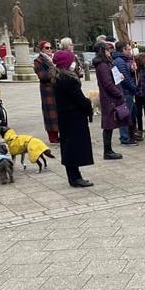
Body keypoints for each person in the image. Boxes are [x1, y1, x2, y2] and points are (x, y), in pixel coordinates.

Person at [51, 50, 95, 187]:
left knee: (68, 145)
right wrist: (88, 104)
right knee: (73, 147)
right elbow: (79, 99)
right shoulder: (69, 80)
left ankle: (74, 176)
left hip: (65, 117)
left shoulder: (58, 78)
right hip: (73, 117)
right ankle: (75, 178)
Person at [92, 41, 125, 160]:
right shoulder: (102, 66)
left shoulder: (106, 64)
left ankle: (109, 150)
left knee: (110, 124)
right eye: (106, 50)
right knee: (108, 124)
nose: (109, 52)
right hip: (109, 98)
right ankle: (107, 150)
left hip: (109, 97)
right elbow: (107, 83)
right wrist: (118, 94)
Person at [112, 41, 141, 145]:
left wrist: (132, 70)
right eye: (128, 49)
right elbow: (124, 78)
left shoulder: (123, 60)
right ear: (123, 50)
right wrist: (134, 88)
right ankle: (125, 137)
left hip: (127, 91)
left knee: (132, 114)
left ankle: (130, 134)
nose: (130, 51)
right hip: (125, 92)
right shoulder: (119, 61)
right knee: (124, 115)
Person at [33, 41, 59, 143]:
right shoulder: (38, 61)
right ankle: (52, 136)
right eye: (47, 48)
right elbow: (43, 76)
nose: (50, 49)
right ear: (42, 49)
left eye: (50, 47)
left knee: (58, 112)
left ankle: (59, 133)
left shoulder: (54, 59)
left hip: (56, 88)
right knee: (50, 113)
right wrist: (54, 71)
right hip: (47, 89)